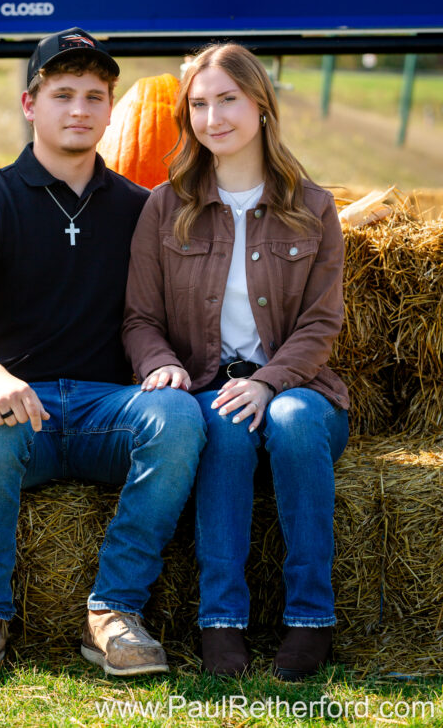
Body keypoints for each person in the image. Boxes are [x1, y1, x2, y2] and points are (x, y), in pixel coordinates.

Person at [0, 27, 206, 680]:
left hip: (106, 411)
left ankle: (113, 611)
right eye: (62, 94)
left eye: (93, 95)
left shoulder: (144, 210)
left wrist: (164, 363)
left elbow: (165, 317)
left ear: (112, 110)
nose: (79, 109)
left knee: (179, 420)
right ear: (31, 105)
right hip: (18, 407)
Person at [122, 42, 349, 681]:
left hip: (299, 386)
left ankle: (311, 619)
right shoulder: (164, 207)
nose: (213, 116)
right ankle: (221, 621)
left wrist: (269, 383)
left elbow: (320, 325)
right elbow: (139, 318)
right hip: (206, 381)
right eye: (198, 104)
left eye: (227, 99)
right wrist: (158, 364)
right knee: (221, 421)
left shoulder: (314, 208)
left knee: (294, 421)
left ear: (260, 104)